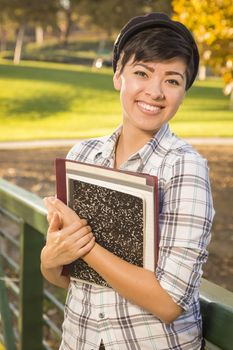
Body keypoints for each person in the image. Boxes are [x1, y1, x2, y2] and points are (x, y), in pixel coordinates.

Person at [41, 12, 215, 350]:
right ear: (118, 76)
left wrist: (85, 244)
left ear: (183, 91)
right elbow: (67, 278)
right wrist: (50, 258)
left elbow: (168, 304)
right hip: (80, 341)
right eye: (141, 73)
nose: (155, 91)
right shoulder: (83, 156)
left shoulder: (186, 168)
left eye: (172, 80)